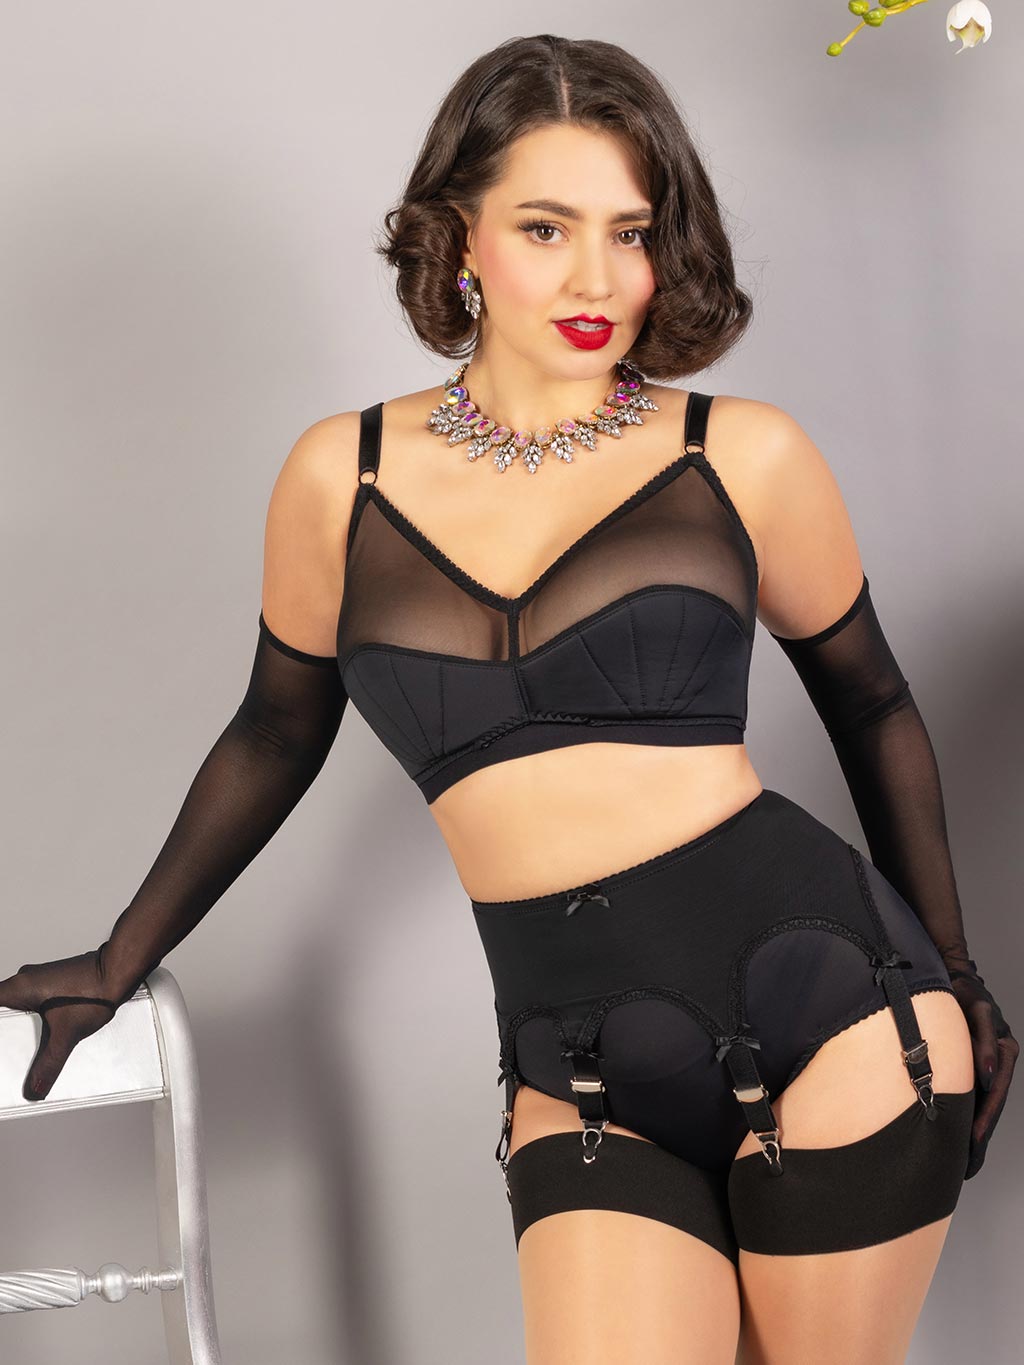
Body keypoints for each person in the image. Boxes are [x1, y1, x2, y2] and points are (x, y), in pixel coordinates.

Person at [1, 32, 1016, 1364]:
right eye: (548, 228)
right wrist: (120, 956)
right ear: (461, 236)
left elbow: (873, 704)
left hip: (835, 1010)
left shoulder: (741, 457)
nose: (599, 279)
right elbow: (276, 727)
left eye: (630, 232)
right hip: (581, 1063)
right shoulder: (343, 479)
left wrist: (959, 973)